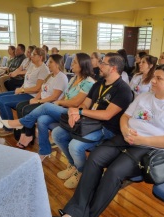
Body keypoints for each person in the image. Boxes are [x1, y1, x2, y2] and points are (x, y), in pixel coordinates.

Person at [54, 63, 164, 217]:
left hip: (149, 148)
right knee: (94, 159)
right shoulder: (144, 96)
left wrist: (143, 140)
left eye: (158, 78)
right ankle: (74, 212)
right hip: (126, 138)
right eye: (153, 76)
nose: (153, 81)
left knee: (114, 172)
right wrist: (125, 130)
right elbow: (125, 117)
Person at [51, 52, 133, 189]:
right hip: (89, 123)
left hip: (107, 128)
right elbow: (86, 104)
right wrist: (76, 113)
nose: (99, 66)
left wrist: (80, 111)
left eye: (103, 63)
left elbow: (107, 115)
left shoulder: (123, 90)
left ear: (113, 68)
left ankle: (81, 172)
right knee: (57, 134)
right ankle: (74, 165)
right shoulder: (98, 84)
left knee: (75, 146)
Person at [0, 53, 95, 159]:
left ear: (82, 65)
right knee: (42, 119)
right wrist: (60, 103)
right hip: (64, 110)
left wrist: (58, 103)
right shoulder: (74, 78)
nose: (71, 63)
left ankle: (20, 122)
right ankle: (44, 150)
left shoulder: (88, 82)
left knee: (46, 106)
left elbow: (75, 102)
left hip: (73, 114)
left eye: (74, 62)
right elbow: (65, 96)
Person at [14, 54, 68, 148]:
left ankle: (28, 135)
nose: (48, 64)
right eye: (48, 61)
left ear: (57, 64)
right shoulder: (50, 76)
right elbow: (42, 90)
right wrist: (36, 98)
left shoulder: (61, 77)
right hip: (42, 100)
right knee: (20, 106)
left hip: (50, 104)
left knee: (27, 110)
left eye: (51, 62)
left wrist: (38, 101)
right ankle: (25, 132)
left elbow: (54, 97)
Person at [0, 47, 49, 137]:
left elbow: (37, 88)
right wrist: (21, 88)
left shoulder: (43, 69)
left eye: (33, 54)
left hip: (32, 95)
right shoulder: (32, 65)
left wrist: (22, 90)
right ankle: (6, 125)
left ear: (40, 57)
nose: (31, 56)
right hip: (25, 91)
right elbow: (27, 81)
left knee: (2, 101)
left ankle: (9, 128)